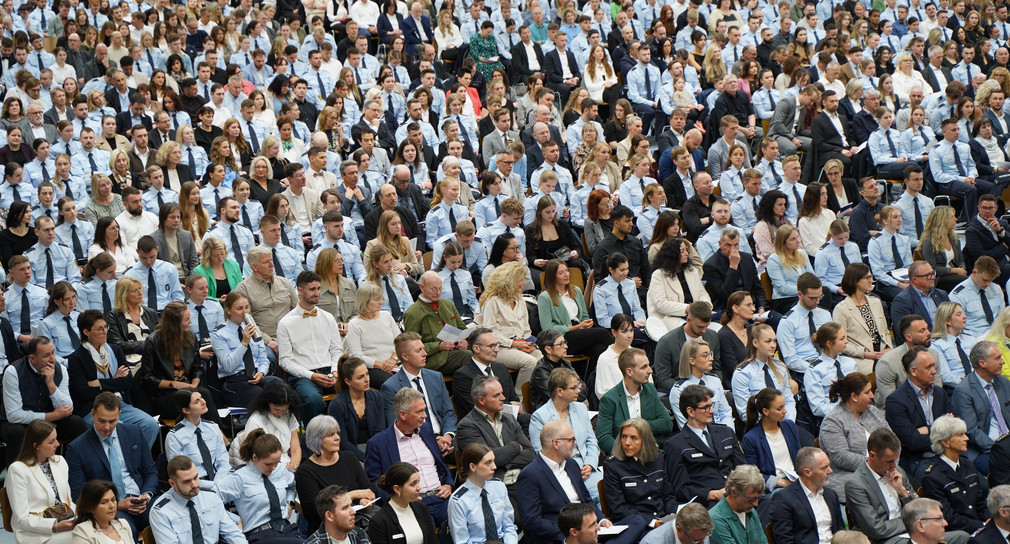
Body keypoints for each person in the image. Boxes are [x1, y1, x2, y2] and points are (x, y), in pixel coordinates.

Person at [516, 419, 647, 544]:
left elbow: (587, 500)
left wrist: (601, 520)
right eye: (571, 440)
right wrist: (574, 533)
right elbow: (533, 522)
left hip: (590, 530)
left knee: (637, 521)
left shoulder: (571, 464)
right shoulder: (530, 475)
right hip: (565, 537)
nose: (575, 443)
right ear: (556, 443)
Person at [65, 393, 157, 534]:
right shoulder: (77, 448)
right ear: (93, 414)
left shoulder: (134, 432)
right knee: (124, 530)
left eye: (112, 421)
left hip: (141, 500)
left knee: (171, 517)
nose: (107, 427)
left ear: (119, 415)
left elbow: (150, 471)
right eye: (102, 421)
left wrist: (146, 495)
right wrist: (116, 505)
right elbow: (79, 494)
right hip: (110, 507)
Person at [66, 310, 158, 448]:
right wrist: (115, 381)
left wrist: (99, 384)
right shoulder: (76, 358)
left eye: (105, 327)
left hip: (119, 404)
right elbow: (83, 392)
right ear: (86, 332)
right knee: (117, 430)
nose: (105, 332)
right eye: (100, 329)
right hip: (93, 408)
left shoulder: (115, 350)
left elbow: (127, 382)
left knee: (150, 424)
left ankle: (135, 461)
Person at [365, 388, 454, 526]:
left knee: (467, 520)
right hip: (411, 504)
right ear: (403, 415)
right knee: (426, 532)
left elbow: (440, 464)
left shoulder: (426, 429)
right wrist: (400, 502)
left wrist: (448, 484)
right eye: (419, 412)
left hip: (441, 497)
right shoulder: (378, 443)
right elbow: (375, 482)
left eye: (424, 410)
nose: (425, 415)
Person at [1, 336, 86, 466]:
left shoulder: (60, 369)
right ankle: (19, 473)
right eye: (46, 355)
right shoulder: (13, 372)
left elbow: (67, 407)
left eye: (53, 353)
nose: (52, 359)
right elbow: (14, 415)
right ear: (33, 358)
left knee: (76, 423)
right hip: (20, 423)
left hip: (50, 421)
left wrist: (51, 384)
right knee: (16, 431)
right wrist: (51, 416)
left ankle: (73, 467)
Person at [275, 271, 343, 423]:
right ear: (300, 291)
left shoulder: (328, 317)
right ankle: (312, 440)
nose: (317, 293)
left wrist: (335, 371)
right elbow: (285, 361)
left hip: (330, 371)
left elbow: (336, 350)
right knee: (311, 399)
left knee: (352, 392)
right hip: (303, 376)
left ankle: (344, 438)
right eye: (312, 289)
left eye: (318, 288)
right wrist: (311, 375)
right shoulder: (286, 323)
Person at [137, 301, 219, 422]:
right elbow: (148, 378)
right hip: (166, 395)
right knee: (203, 395)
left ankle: (215, 433)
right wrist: (175, 384)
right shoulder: (153, 341)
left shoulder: (190, 336)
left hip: (190, 390)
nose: (190, 322)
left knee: (201, 395)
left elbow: (197, 368)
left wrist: (194, 384)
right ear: (174, 323)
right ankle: (220, 434)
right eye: (186, 320)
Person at [529, 367, 602, 504]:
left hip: (586, 466)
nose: (578, 391)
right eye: (573, 388)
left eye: (578, 386)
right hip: (561, 470)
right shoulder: (540, 416)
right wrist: (571, 469)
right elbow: (541, 453)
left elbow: (591, 441)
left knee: (607, 491)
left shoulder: (580, 408)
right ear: (560, 391)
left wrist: (590, 464)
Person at [665, 383, 744, 508]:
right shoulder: (675, 444)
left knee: (767, 501)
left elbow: (742, 467)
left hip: (737, 493)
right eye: (706, 407)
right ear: (691, 411)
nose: (712, 411)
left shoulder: (726, 432)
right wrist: (710, 494)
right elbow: (680, 489)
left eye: (711, 405)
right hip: (708, 502)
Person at [216, 430, 301, 544]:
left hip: (286, 529)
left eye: (277, 462)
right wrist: (234, 520)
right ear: (255, 458)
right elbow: (211, 501)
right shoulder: (239, 478)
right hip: (259, 534)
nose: (274, 467)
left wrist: (290, 503)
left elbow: (292, 485)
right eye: (268, 464)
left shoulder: (280, 470)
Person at [295, 416, 374, 536]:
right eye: (330, 435)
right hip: (327, 532)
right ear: (317, 440)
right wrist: (351, 495)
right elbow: (313, 512)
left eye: (337, 433)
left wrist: (366, 500)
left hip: (358, 523)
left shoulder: (349, 457)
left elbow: (367, 488)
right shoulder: (305, 471)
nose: (337, 438)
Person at [380, 331, 458, 452]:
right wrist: (431, 442)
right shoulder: (391, 387)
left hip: (444, 436)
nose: (425, 354)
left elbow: (448, 412)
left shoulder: (436, 377)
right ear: (405, 356)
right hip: (415, 442)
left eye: (423, 349)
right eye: (418, 351)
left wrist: (447, 437)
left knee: (475, 453)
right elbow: (396, 425)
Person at [820, 372, 892, 500]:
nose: (872, 396)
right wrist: (876, 465)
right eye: (867, 392)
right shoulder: (833, 421)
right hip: (849, 477)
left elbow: (893, 441)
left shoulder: (872, 411)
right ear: (854, 396)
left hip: (886, 470)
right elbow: (842, 457)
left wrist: (890, 463)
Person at [884, 345, 951, 479]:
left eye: (933, 366)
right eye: (928, 367)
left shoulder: (939, 393)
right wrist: (942, 430)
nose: (934, 372)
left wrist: (926, 430)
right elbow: (912, 442)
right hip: (920, 460)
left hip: (949, 453)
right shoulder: (895, 401)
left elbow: (955, 426)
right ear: (913, 371)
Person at [455, 375, 535, 485]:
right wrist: (515, 446)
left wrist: (502, 462)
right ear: (481, 400)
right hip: (495, 486)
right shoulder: (468, 426)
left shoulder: (509, 419)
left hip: (524, 479)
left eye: (501, 393)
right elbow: (484, 461)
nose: (503, 398)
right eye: (497, 395)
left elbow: (530, 454)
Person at [5, 419, 75, 544]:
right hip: (36, 534)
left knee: (98, 529)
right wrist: (54, 526)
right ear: (36, 446)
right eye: (51, 442)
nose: (58, 444)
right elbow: (21, 519)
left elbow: (68, 502)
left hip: (65, 523)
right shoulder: (17, 470)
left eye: (56, 439)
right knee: (83, 537)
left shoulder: (60, 462)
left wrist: (81, 517)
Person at [148, 455, 246, 544]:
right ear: (172, 483)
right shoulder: (161, 512)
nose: (194, 485)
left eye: (195, 477)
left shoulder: (211, 497)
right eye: (187, 482)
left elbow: (231, 533)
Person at [844, 429, 919, 542]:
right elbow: (877, 530)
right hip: (884, 539)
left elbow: (920, 510)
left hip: (911, 532)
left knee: (954, 537)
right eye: (889, 461)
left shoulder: (897, 471)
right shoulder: (856, 485)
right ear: (872, 455)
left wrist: (903, 492)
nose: (894, 465)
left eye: (895, 460)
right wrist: (911, 522)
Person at [209, 291, 281, 408]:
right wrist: (244, 342)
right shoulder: (219, 334)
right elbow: (228, 366)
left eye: (247, 307)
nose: (245, 312)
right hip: (235, 380)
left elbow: (263, 358)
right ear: (228, 310)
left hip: (256, 375)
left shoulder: (253, 328)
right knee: (260, 396)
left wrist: (262, 372)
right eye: (239, 308)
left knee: (280, 387)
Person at [597, 347, 674, 454]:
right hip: (624, 457)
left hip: (653, 452)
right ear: (629, 372)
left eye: (648, 365)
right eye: (644, 367)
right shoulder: (610, 399)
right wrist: (626, 452)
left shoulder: (650, 390)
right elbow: (603, 437)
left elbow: (667, 424)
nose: (650, 370)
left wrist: (637, 428)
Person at [920, 415, 989, 534]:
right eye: (960, 435)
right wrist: (982, 525)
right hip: (959, 533)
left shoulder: (968, 465)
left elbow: (981, 503)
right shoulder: (932, 477)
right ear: (945, 442)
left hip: (981, 527)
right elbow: (948, 518)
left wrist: (990, 521)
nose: (966, 438)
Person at [479, 262, 539, 396]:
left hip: (520, 345)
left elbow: (525, 328)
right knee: (529, 362)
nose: (524, 283)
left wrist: (527, 344)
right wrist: (513, 343)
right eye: (520, 280)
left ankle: (536, 396)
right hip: (499, 348)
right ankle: (520, 398)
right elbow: (489, 333)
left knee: (541, 358)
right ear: (509, 281)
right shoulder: (492, 301)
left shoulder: (520, 300)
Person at [951, 340, 1010, 475]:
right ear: (982, 363)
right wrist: (1000, 448)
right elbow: (972, 432)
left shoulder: (1003, 382)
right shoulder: (964, 391)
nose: (1003, 362)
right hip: (984, 450)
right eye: (997, 358)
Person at [602, 418, 677, 521]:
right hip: (637, 524)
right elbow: (619, 510)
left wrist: (672, 512)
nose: (627, 442)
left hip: (664, 519)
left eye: (634, 438)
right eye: (624, 437)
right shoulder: (613, 466)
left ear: (645, 440)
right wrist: (652, 522)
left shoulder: (658, 458)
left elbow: (668, 496)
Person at [769, 447, 845, 544]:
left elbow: (840, 531)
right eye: (824, 468)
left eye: (828, 465)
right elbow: (785, 540)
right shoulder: (783, 498)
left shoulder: (831, 495)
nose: (830, 470)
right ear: (807, 472)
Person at [402, 271, 473, 375]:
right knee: (469, 356)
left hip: (455, 350)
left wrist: (464, 341)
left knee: (482, 348)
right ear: (422, 287)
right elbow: (411, 346)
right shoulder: (412, 313)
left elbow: (462, 329)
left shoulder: (447, 304)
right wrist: (438, 346)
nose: (438, 292)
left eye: (440, 288)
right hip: (433, 359)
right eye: (434, 289)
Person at [447, 444, 519, 544]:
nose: (494, 467)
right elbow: (462, 541)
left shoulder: (499, 487)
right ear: (473, 467)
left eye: (493, 461)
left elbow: (509, 527)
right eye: (488, 463)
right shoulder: (459, 501)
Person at [832, 263, 893, 374]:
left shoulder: (876, 302)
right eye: (867, 277)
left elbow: (885, 331)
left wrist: (888, 348)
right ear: (855, 281)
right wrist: (866, 354)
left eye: (871, 276)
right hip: (862, 358)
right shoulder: (841, 309)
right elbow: (841, 343)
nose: (872, 280)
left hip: (884, 354)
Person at [742, 387, 804, 491]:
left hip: (796, 479)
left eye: (784, 406)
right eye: (779, 409)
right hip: (775, 486)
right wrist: (780, 482)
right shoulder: (751, 438)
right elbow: (753, 475)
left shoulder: (789, 426)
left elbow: (799, 456)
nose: (785, 411)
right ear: (765, 411)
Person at [732, 322, 796, 421]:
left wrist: (789, 422)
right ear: (755, 343)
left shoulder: (780, 367)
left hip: (784, 422)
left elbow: (788, 400)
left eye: (774, 341)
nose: (773, 345)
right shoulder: (742, 373)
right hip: (759, 426)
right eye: (768, 341)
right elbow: (745, 413)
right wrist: (771, 424)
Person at [165, 388, 229, 482]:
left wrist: (217, 483)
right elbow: (180, 474)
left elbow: (224, 462)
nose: (203, 402)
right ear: (186, 410)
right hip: (194, 485)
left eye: (201, 398)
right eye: (196, 401)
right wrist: (210, 486)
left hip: (219, 481)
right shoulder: (174, 437)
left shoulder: (213, 428)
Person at [369, 461, 440, 544]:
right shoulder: (379, 521)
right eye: (413, 484)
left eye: (418, 481)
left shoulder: (421, 508)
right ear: (397, 489)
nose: (419, 487)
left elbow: (433, 540)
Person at [671, 338, 734, 428]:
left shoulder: (715, 380)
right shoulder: (679, 390)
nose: (711, 358)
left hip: (721, 433)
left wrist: (728, 435)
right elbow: (687, 426)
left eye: (710, 354)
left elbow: (725, 412)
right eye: (705, 355)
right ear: (692, 360)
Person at [240, 383, 303, 471]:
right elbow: (256, 456)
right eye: (276, 409)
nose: (280, 414)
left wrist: (294, 465)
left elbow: (295, 449)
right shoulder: (256, 420)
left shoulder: (289, 415)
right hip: (267, 467)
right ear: (268, 403)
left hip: (287, 463)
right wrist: (280, 468)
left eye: (284, 410)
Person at [105, 276, 157, 368]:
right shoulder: (114, 316)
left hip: (153, 357)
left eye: (140, 289)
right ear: (124, 295)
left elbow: (159, 338)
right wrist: (148, 345)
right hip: (129, 361)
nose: (140, 293)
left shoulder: (151, 312)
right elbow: (118, 345)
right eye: (134, 291)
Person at [917, 206, 968, 293]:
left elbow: (960, 260)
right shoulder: (929, 241)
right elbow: (931, 269)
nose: (956, 219)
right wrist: (953, 270)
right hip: (938, 278)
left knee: (974, 279)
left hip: (954, 275)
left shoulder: (954, 238)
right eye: (952, 217)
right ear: (943, 220)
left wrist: (962, 268)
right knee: (968, 282)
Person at [890, 261, 949, 335]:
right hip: (924, 344)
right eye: (928, 275)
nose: (933, 277)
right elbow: (905, 332)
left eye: (933, 273)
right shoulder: (902, 301)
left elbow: (951, 320)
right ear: (915, 280)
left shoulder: (941, 294)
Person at [767, 225, 815, 313]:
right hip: (786, 299)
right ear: (783, 242)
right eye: (793, 239)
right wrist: (806, 291)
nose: (798, 241)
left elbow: (812, 276)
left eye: (797, 237)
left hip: (806, 294)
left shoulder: (802, 253)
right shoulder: (774, 259)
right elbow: (783, 288)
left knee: (825, 292)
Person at [302, 484, 371, 544]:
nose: (353, 512)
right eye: (345, 508)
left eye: (351, 505)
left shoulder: (359, 534)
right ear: (329, 516)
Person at [70, 480, 134, 544]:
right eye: (104, 502)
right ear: (90, 507)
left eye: (113, 500)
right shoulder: (82, 531)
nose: (111, 506)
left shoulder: (123, 524)